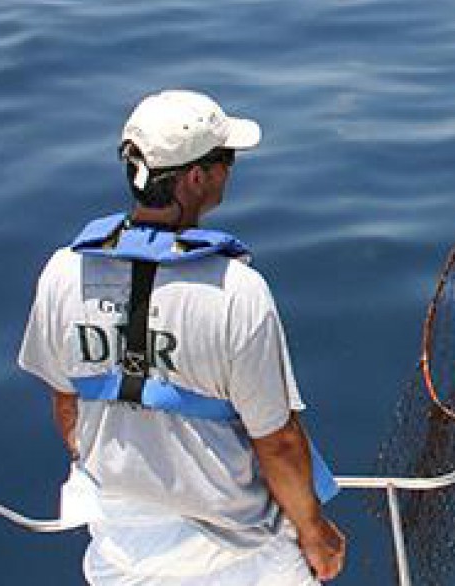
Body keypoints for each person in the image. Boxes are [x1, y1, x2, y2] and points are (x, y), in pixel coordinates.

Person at [18, 90, 348, 585]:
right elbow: (277, 442)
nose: (230, 171)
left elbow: (67, 405)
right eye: (225, 161)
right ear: (197, 177)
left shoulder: (62, 273)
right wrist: (314, 531)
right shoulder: (237, 292)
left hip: (123, 549)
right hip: (241, 555)